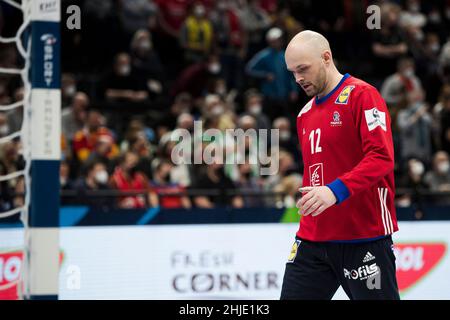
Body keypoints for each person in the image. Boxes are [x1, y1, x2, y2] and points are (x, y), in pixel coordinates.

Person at [281, 30, 400, 300]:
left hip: (364, 237)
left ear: (326, 58)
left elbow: (382, 157)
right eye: (292, 72)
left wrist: (334, 191)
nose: (298, 78)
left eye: (303, 69)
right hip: (312, 239)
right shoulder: (304, 114)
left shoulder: (363, 95)